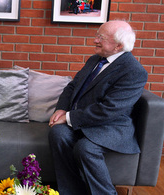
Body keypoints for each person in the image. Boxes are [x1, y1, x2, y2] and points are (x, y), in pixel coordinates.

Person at [48, 20, 148, 195]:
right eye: (97, 35)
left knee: (86, 148)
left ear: (118, 45)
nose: (95, 40)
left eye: (100, 37)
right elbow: (72, 86)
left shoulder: (134, 71)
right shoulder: (96, 60)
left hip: (111, 125)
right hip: (85, 121)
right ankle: (71, 191)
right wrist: (61, 109)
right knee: (58, 134)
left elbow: (110, 109)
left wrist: (69, 117)